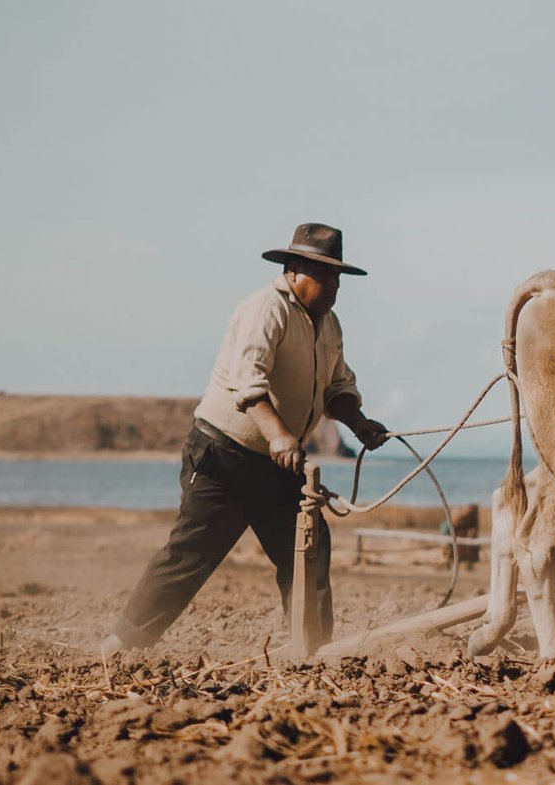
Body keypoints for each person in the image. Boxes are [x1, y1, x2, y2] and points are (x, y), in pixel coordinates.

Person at [102, 223, 388, 655]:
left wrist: (359, 422)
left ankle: (311, 649)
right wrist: (279, 436)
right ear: (294, 271)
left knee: (308, 552)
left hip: (276, 465)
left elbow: (337, 389)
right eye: (325, 275)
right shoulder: (264, 310)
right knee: (191, 554)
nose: (333, 286)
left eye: (338, 278)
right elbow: (248, 384)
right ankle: (122, 644)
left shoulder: (328, 325)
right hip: (223, 456)